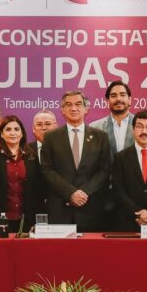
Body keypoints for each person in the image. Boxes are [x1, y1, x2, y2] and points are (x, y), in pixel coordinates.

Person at [40, 91, 111, 232]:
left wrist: (83, 193)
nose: (73, 108)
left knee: (91, 253)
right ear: (62, 110)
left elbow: (104, 171)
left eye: (78, 104)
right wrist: (70, 193)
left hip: (91, 208)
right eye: (68, 105)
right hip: (60, 209)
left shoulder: (100, 137)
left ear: (86, 109)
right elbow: (47, 170)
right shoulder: (50, 137)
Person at [0, 116, 42, 234]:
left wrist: (35, 221)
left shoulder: (31, 156)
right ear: (1, 134)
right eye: (8, 129)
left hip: (26, 220)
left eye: (17, 129)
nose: (13, 133)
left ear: (22, 134)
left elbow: (37, 192)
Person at [90, 80, 134, 156]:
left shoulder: (142, 125)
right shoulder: (95, 128)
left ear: (129, 100)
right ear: (107, 101)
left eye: (122, 95)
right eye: (113, 96)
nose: (118, 99)